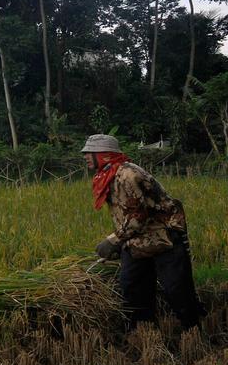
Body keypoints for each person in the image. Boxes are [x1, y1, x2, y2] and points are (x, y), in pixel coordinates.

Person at [82, 134, 203, 328]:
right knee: (132, 289)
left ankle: (193, 332)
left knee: (177, 290)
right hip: (138, 241)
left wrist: (114, 240)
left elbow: (138, 216)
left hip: (163, 238)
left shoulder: (127, 175)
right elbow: (126, 214)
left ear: (104, 155)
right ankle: (142, 335)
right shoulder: (109, 175)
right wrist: (121, 243)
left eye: (90, 153)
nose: (86, 157)